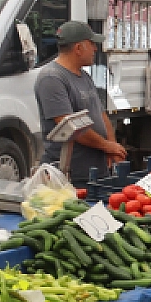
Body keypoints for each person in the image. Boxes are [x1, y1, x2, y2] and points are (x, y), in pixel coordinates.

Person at [33, 21, 127, 184]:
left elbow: (100, 114)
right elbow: (70, 126)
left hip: (96, 172)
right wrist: (106, 146)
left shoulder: (84, 76)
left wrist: (112, 146)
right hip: (69, 176)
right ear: (78, 48)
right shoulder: (52, 78)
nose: (95, 49)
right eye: (92, 44)